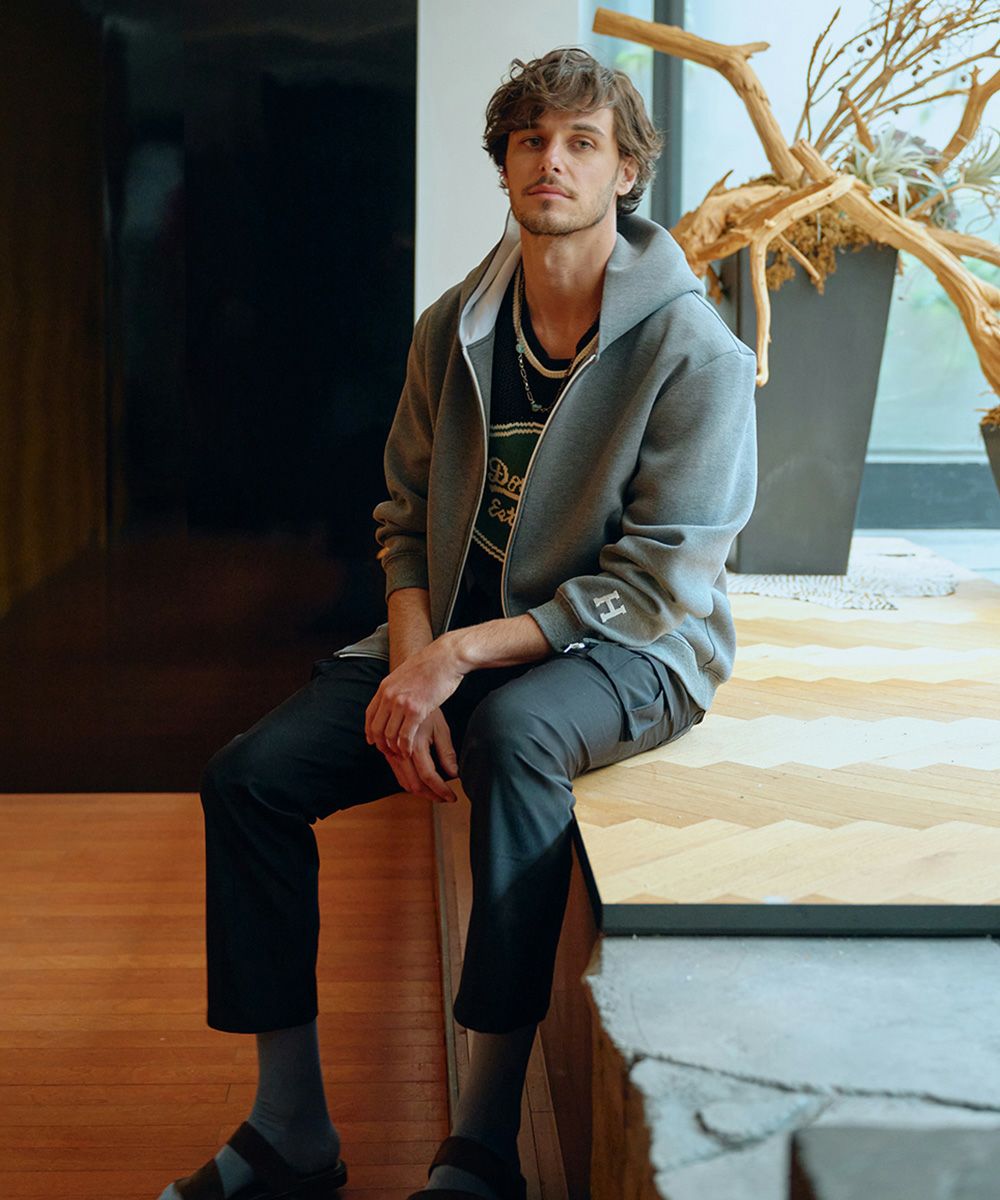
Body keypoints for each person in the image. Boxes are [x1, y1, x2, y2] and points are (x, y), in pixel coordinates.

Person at [160, 45, 758, 1200]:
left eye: (581, 141)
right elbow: (399, 514)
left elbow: (658, 584)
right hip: (455, 635)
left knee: (514, 736)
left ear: (627, 171)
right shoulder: (454, 328)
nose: (552, 160)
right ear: (504, 163)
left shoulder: (694, 351)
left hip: (634, 651)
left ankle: (482, 1144)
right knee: (249, 780)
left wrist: (455, 657)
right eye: (531, 139)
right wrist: (411, 655)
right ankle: (288, 1130)